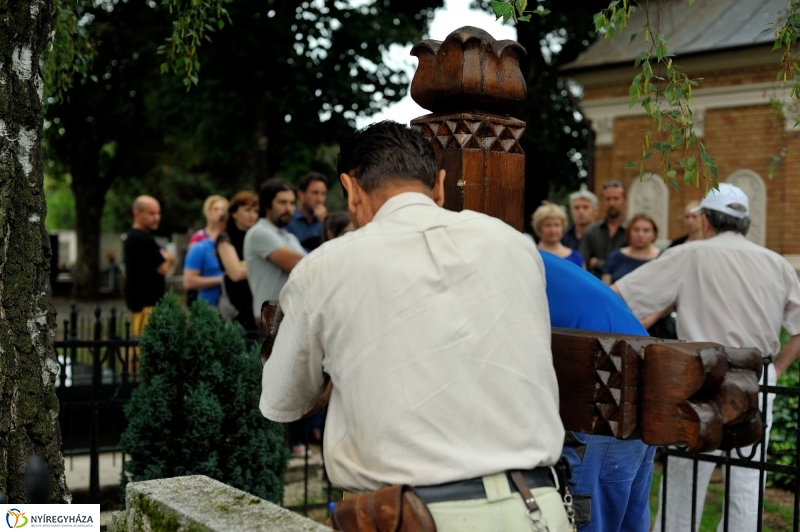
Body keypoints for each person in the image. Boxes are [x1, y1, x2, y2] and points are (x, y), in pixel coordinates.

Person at [259, 121, 570, 532]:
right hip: (536, 508)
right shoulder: (515, 245)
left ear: (350, 190)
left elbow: (285, 400)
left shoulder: (323, 268)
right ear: (439, 186)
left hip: (410, 516)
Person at [612, 183, 800, 532]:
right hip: (757, 375)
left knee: (687, 475)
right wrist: (776, 369)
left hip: (700, 375)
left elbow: (619, 296)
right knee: (748, 477)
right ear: (745, 224)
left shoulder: (690, 254)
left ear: (707, 221)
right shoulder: (776, 262)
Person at [540, 251, 655, 532]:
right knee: (627, 518)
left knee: (589, 518)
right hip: (640, 380)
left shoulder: (500, 267)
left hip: (607, 388)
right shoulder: (534, 259)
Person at [245, 178, 308, 458]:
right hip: (272, 315)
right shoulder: (260, 232)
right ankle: (275, 448)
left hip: (291, 314)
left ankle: (292, 446)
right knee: (274, 383)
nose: (289, 208)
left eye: (292, 202)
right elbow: (298, 263)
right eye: (282, 202)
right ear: (266, 204)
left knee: (294, 380)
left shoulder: (289, 236)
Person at [124, 196, 175, 335]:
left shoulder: (142, 238)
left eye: (158, 213)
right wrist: (170, 259)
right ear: (137, 213)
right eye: (151, 213)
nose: (156, 217)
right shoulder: (140, 239)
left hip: (147, 305)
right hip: (145, 307)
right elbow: (162, 268)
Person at [216, 191, 259, 332]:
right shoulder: (226, 238)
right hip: (238, 304)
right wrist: (262, 263)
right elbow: (235, 273)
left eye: (255, 211)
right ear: (234, 213)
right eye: (247, 210)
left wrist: (243, 263)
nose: (252, 215)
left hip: (258, 298)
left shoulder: (258, 236)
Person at [579, 181, 627, 278]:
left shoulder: (633, 231)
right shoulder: (591, 231)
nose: (612, 203)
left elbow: (630, 264)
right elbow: (583, 261)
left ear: (625, 200)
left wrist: (597, 263)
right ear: (603, 201)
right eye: (608, 199)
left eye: (616, 198)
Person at [601, 213, 660, 285]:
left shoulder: (662, 257)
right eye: (636, 230)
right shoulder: (615, 256)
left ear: (654, 234)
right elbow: (605, 288)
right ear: (629, 232)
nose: (640, 234)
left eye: (646, 231)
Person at [285, 172, 328, 252]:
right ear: (301, 194)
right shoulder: (288, 218)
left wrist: (326, 223)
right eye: (315, 193)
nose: (319, 199)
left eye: (323, 194)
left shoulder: (324, 221)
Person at [533, 202, 584, 267]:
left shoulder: (576, 257)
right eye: (548, 225)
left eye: (557, 225)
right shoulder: (532, 254)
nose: (553, 230)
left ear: (563, 227)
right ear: (539, 228)